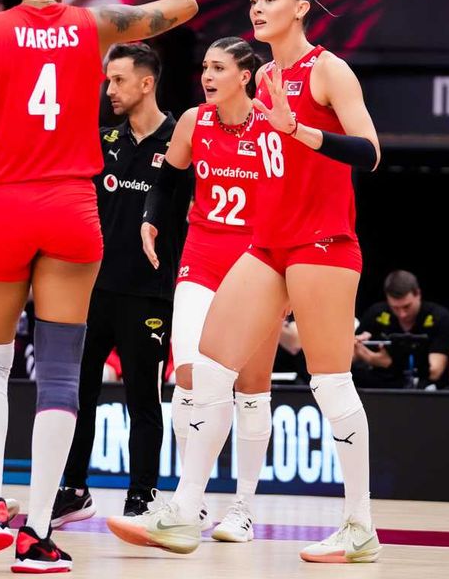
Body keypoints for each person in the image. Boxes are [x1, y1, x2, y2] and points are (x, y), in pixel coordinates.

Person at [0, 0, 197, 572]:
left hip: (2, 206)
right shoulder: (95, 25)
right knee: (64, 373)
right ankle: (37, 533)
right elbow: (183, 3)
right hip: (72, 207)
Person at [107, 0, 383, 564]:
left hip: (323, 242)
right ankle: (185, 512)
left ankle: (360, 525)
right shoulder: (264, 78)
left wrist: (299, 129)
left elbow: (370, 153)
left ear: (301, 7)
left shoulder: (328, 69)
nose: (257, 7)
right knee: (208, 368)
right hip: (268, 243)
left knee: (330, 383)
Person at [53, 42, 194, 526]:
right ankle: (73, 489)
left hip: (148, 291)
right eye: (108, 80)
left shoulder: (180, 141)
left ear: (146, 83)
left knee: (143, 398)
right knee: (79, 393)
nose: (109, 89)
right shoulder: (102, 138)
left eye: (118, 80)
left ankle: (142, 496)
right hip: (90, 287)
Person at [141, 36, 275, 542]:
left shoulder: (271, 125)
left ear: (245, 75)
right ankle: (190, 500)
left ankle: (242, 508)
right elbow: (167, 180)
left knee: (251, 387)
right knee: (189, 377)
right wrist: (151, 219)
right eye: (204, 68)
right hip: (201, 258)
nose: (208, 76)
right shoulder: (194, 121)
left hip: (257, 264)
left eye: (219, 68)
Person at [354, 270, 449, 389]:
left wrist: (389, 363)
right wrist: (356, 347)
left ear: (418, 294)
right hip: (381, 387)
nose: (402, 314)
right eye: (395, 308)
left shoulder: (439, 317)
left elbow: (434, 371)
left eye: (407, 306)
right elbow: (348, 359)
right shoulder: (376, 314)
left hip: (425, 389)